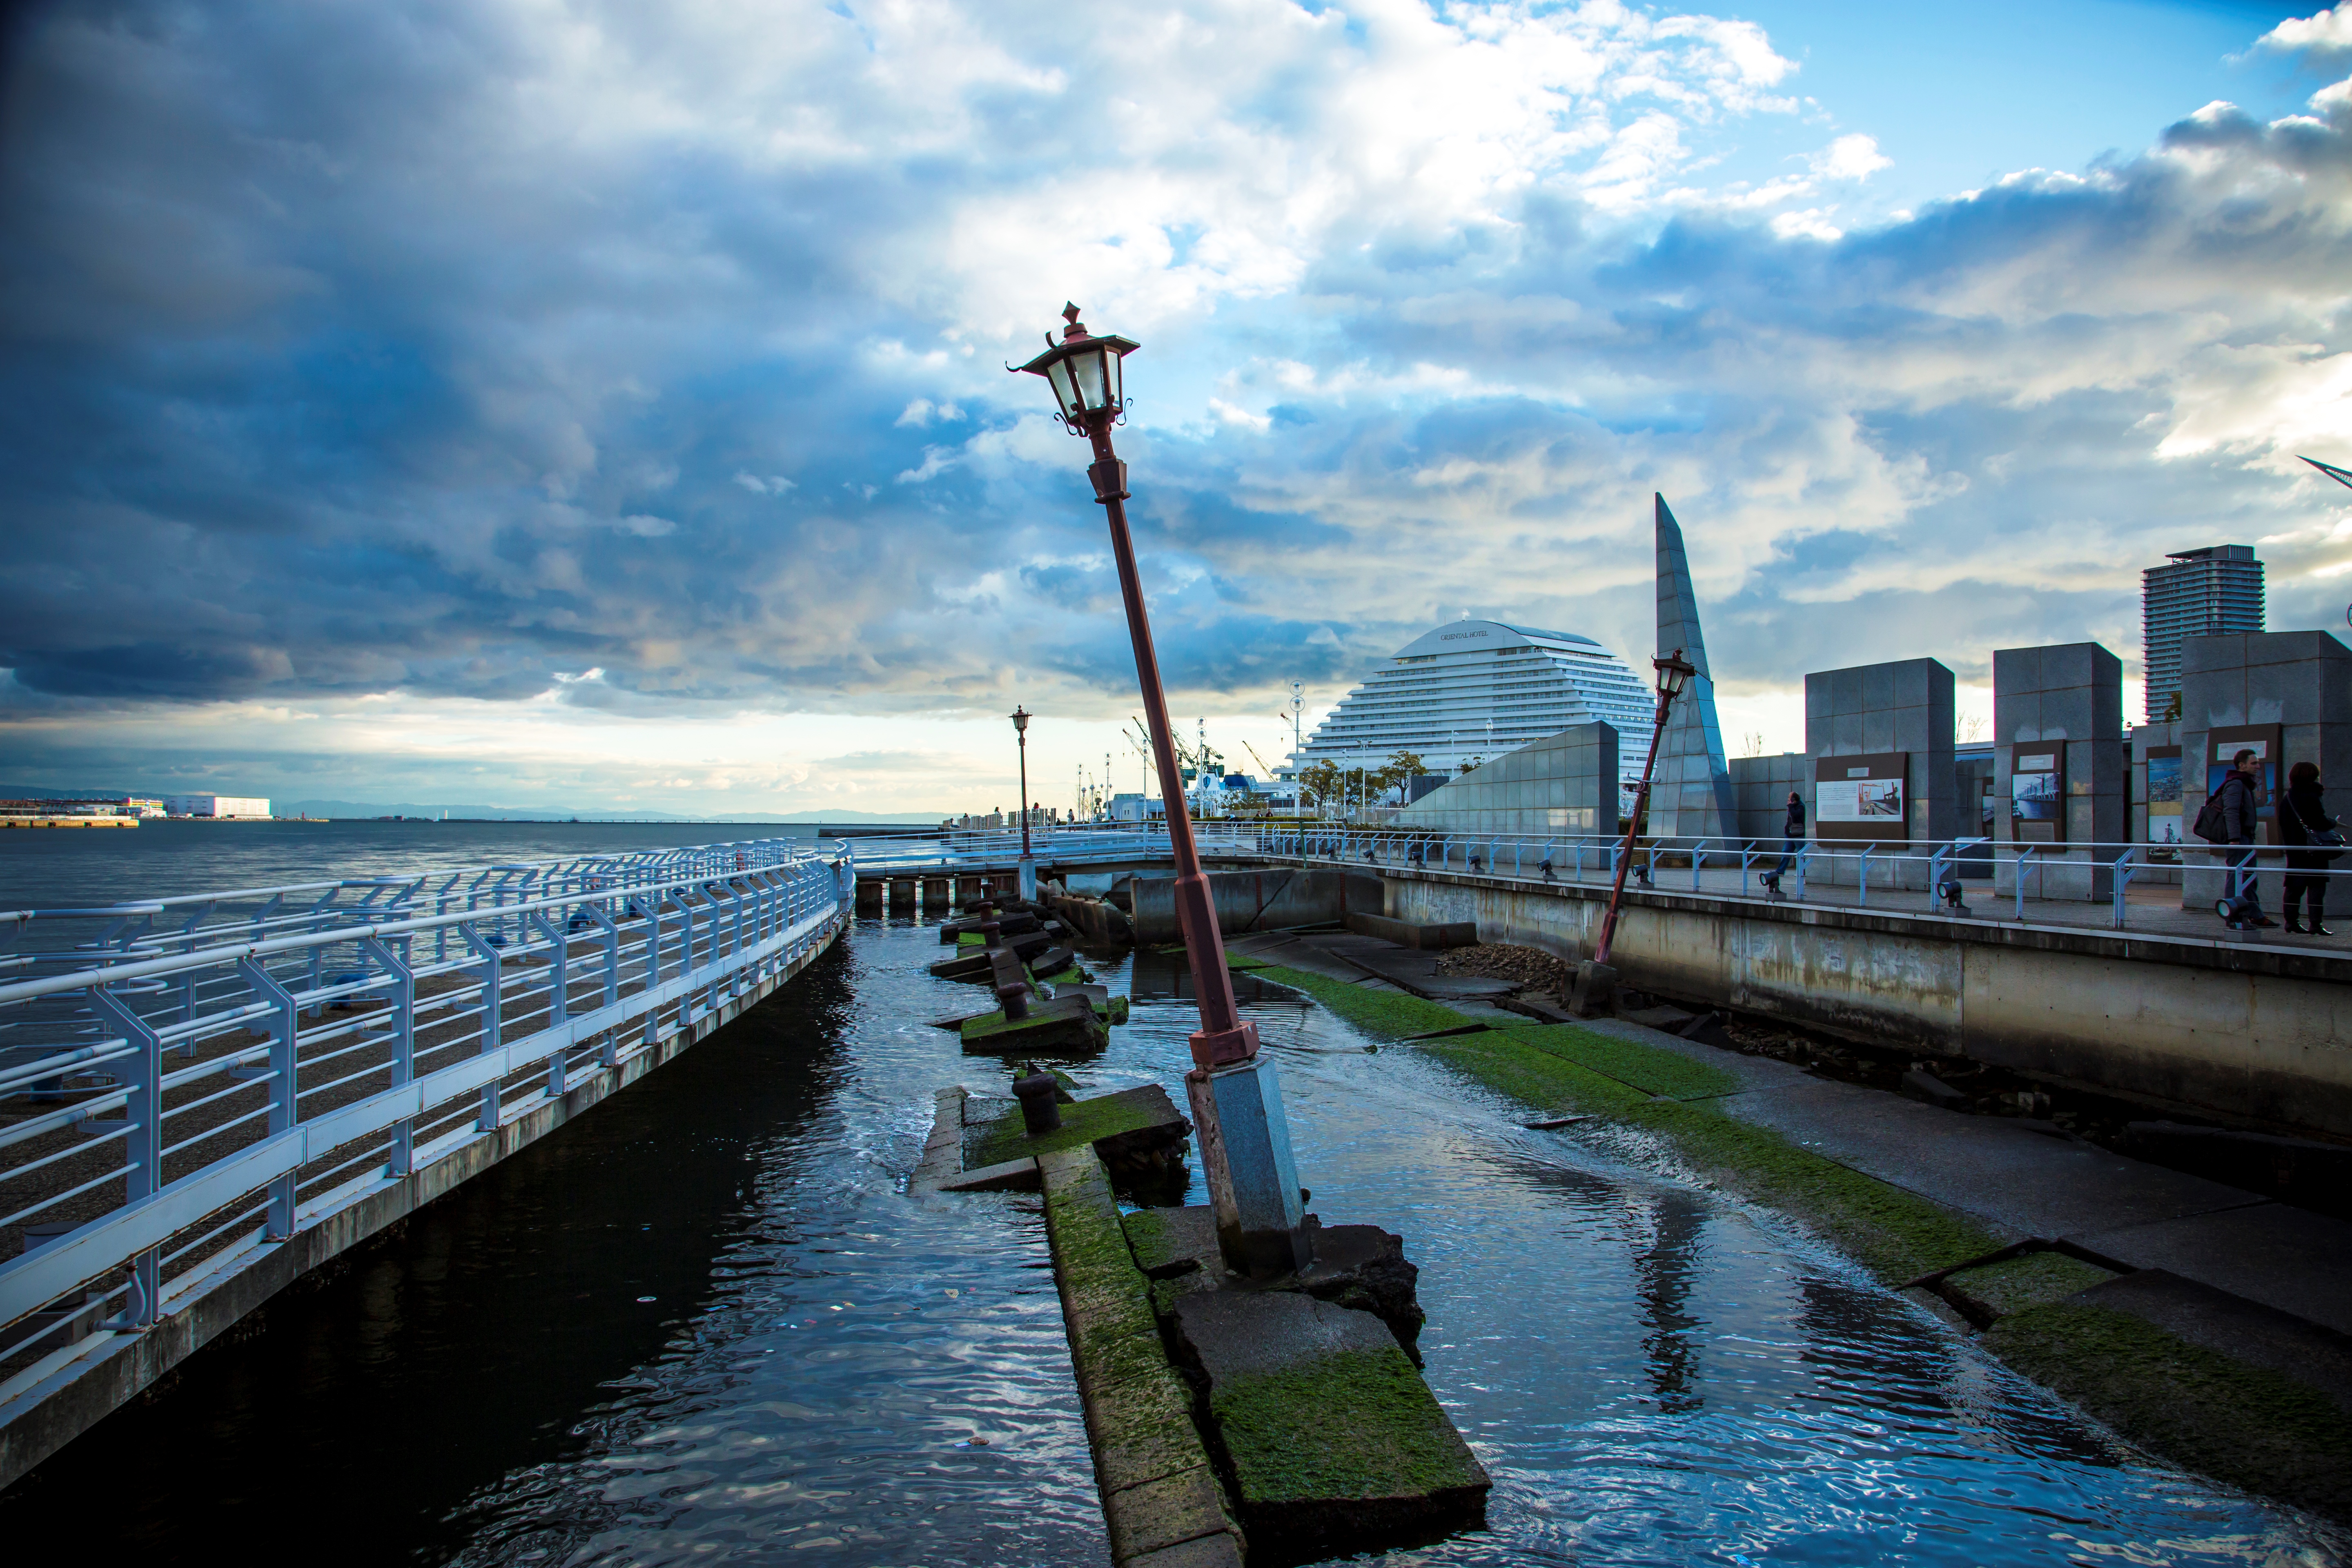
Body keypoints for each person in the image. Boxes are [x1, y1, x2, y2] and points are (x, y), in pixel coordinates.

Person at [2279, 760, 2339, 936]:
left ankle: (2291, 922)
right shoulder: (2311, 796)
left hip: (2295, 847)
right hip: (2314, 848)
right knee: (2316, 885)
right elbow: (2319, 821)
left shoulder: (2288, 797)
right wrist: (2332, 822)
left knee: (2294, 886)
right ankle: (2315, 924)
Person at [2217, 748, 2274, 927]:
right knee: (2238, 877)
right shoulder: (2236, 784)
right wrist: (2234, 838)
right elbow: (2231, 811)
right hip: (2239, 839)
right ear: (2242, 766)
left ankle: (2255, 915)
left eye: (2258, 763)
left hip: (2245, 838)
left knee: (2248, 877)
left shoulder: (2244, 783)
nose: (2258, 766)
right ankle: (2233, 917)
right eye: (2254, 763)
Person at [1761, 789, 1805, 898]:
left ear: (1794, 800)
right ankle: (1781, 871)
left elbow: (1796, 817)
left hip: (1798, 835)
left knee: (1802, 855)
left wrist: (1791, 807)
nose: (1788, 801)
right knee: (1786, 852)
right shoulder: (1793, 807)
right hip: (1790, 835)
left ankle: (1804, 875)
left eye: (1789, 799)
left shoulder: (1801, 807)